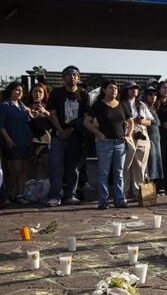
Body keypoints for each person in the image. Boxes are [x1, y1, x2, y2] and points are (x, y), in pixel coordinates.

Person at [84, 80, 133, 209]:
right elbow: (87, 122)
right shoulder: (98, 105)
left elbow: (131, 121)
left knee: (119, 173)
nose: (114, 90)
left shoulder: (122, 105)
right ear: (104, 90)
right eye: (111, 87)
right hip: (104, 143)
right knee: (103, 173)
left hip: (120, 143)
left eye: (116, 88)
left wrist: (128, 135)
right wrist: (97, 133)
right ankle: (103, 201)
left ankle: (119, 200)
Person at [46, 65, 88, 206]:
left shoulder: (83, 95)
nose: (73, 76)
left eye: (75, 74)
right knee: (57, 167)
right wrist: (61, 130)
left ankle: (70, 194)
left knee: (74, 168)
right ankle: (55, 195)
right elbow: (52, 114)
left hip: (76, 136)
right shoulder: (56, 93)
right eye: (69, 74)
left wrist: (71, 129)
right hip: (58, 136)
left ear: (79, 77)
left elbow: (85, 117)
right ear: (63, 77)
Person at [0, 82, 34, 204]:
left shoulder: (22, 106)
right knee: (14, 172)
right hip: (13, 141)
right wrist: (8, 139)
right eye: (17, 90)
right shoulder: (4, 105)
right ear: (10, 90)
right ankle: (5, 195)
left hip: (26, 141)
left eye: (21, 90)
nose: (19, 92)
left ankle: (20, 195)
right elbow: (0, 125)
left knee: (23, 171)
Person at [121, 82, 152, 199]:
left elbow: (149, 121)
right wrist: (132, 121)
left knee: (140, 165)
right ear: (125, 90)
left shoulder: (141, 105)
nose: (134, 90)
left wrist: (140, 121)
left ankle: (138, 193)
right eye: (131, 88)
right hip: (127, 135)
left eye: (136, 88)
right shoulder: (120, 104)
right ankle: (123, 193)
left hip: (142, 134)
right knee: (125, 165)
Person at [27, 83, 52, 180]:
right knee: (31, 169)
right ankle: (31, 191)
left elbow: (55, 119)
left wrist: (44, 111)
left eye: (40, 92)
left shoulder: (49, 106)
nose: (37, 94)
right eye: (35, 91)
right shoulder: (26, 107)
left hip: (45, 141)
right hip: (31, 141)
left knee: (48, 168)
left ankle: (50, 191)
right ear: (31, 93)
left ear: (44, 94)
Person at [144, 87, 164, 192]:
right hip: (149, 138)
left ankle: (153, 188)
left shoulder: (154, 108)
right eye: (150, 95)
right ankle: (147, 189)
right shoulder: (143, 107)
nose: (153, 97)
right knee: (149, 163)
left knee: (155, 162)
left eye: (155, 95)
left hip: (157, 139)